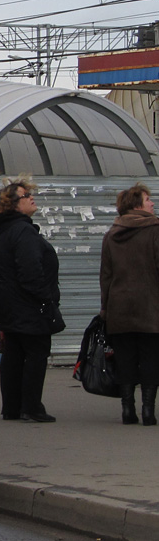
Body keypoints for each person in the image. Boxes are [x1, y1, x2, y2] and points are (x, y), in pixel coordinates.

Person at [0, 177, 63, 423]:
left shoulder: (1, 230)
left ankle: (12, 407)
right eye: (25, 196)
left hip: (8, 306)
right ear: (13, 204)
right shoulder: (23, 231)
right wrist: (47, 298)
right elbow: (30, 272)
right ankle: (31, 407)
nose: (32, 198)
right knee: (36, 354)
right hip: (30, 306)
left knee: (13, 354)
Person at [99, 182, 159, 426]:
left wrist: (106, 307)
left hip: (119, 307)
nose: (153, 203)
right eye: (148, 200)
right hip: (150, 306)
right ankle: (148, 411)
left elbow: (106, 276)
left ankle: (127, 410)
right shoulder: (156, 230)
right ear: (137, 205)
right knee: (150, 358)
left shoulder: (111, 234)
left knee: (124, 358)